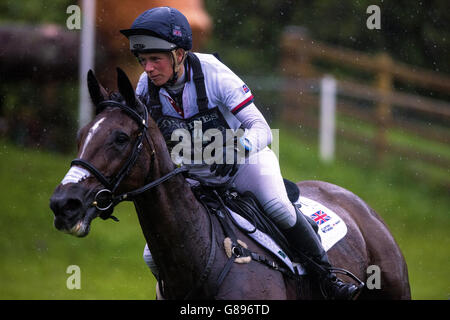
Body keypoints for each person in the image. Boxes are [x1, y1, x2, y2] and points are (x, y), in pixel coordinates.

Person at [120, 6, 361, 300]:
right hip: (195, 178)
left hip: (244, 163)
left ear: (179, 54)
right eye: (143, 60)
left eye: (155, 59)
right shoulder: (146, 87)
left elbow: (261, 128)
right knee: (151, 255)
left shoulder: (214, 74)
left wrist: (234, 149)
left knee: (278, 207)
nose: (147, 69)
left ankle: (328, 281)